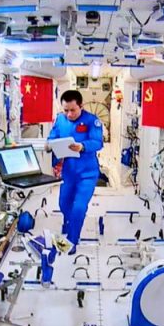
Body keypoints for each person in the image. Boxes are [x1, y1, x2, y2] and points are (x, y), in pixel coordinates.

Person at [46, 90, 103, 254]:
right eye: (66, 110)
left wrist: (82, 146)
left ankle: (71, 241)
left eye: (73, 110)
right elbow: (52, 136)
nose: (69, 114)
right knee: (63, 204)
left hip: (87, 173)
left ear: (81, 106)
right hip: (69, 171)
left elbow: (98, 142)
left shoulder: (92, 120)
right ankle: (70, 222)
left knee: (78, 207)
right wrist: (48, 144)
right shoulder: (60, 119)